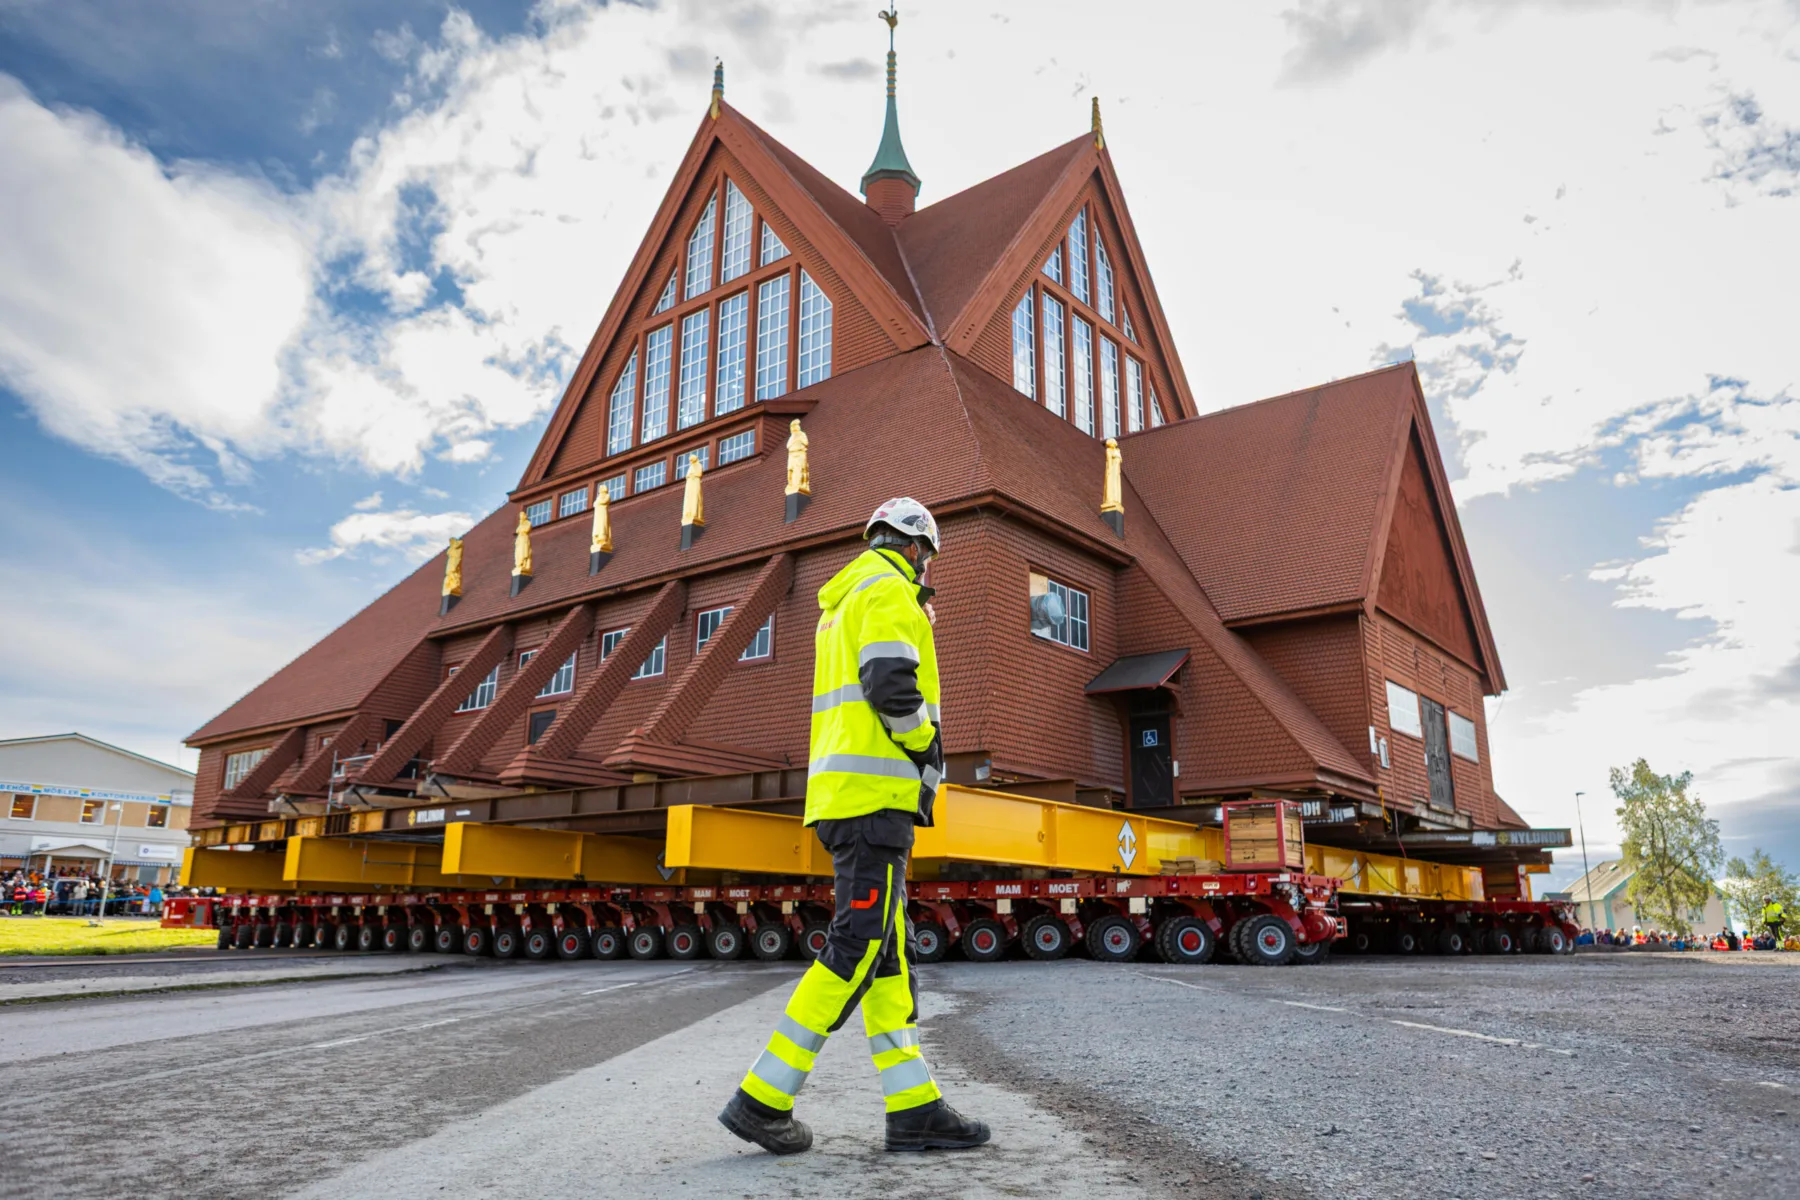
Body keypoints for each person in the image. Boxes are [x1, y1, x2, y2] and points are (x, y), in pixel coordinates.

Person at [719, 498, 990, 1157]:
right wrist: (926, 746)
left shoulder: (846, 602)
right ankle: (763, 1098)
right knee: (859, 947)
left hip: (851, 799)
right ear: (916, 549)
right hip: (872, 801)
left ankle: (914, 1107)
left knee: (889, 960)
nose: (926, 570)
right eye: (926, 558)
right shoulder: (888, 589)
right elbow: (893, 686)